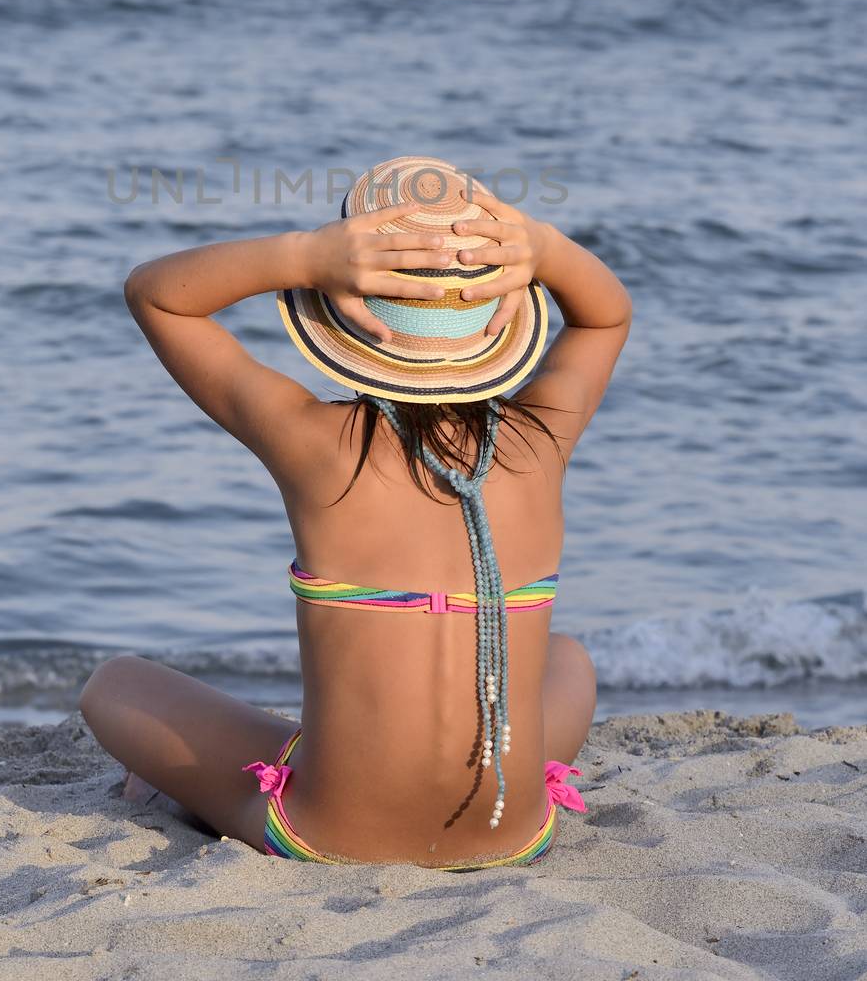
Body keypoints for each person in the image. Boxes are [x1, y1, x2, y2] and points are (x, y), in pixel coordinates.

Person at [80, 155, 632, 869]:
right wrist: (544, 248)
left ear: (343, 316)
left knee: (113, 684)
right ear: (501, 313)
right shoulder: (544, 438)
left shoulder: (314, 443)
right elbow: (605, 317)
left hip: (330, 834)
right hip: (511, 833)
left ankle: (199, 789)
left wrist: (304, 254)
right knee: (569, 659)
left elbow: (155, 294)